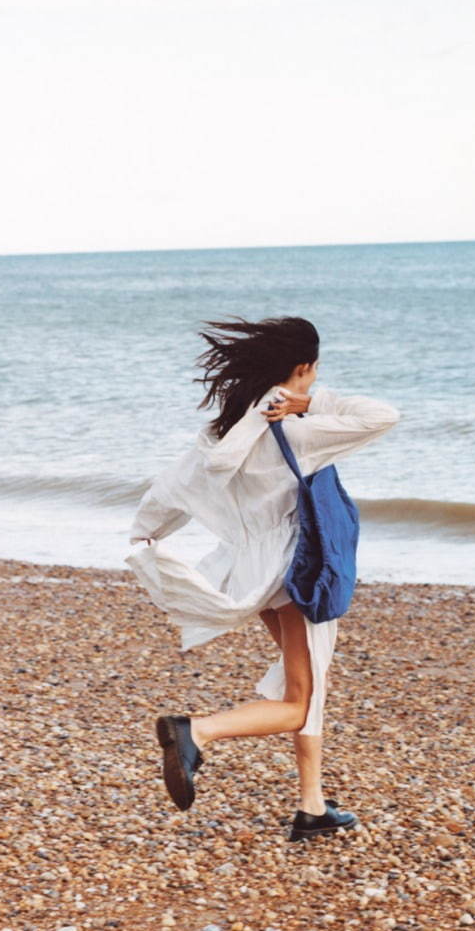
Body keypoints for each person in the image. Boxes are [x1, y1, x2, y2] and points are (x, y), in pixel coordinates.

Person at [125, 315, 400, 841]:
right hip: (302, 568)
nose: (316, 382)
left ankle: (312, 806)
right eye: (313, 373)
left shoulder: (226, 429)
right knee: (299, 702)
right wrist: (309, 404)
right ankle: (196, 731)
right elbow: (383, 415)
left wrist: (145, 536)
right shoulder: (299, 430)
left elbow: (171, 490)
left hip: (257, 570)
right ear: (301, 368)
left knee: (307, 681)